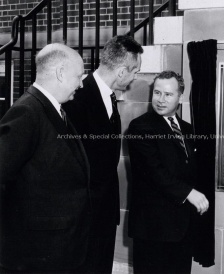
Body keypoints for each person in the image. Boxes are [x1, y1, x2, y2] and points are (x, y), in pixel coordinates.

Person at [0, 43, 89, 273]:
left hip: (59, 247)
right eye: (78, 76)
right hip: (37, 251)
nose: (81, 84)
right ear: (60, 73)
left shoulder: (54, 108)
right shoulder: (27, 112)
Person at [63, 35, 143, 273]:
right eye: (135, 71)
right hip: (82, 220)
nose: (135, 77)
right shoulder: (76, 98)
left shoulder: (109, 96)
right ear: (121, 72)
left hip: (104, 216)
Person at [127, 70, 209, 274]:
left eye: (168, 94)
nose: (161, 100)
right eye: (157, 93)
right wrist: (189, 193)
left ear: (180, 96)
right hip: (153, 229)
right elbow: (154, 172)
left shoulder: (187, 129)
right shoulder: (140, 127)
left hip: (182, 228)